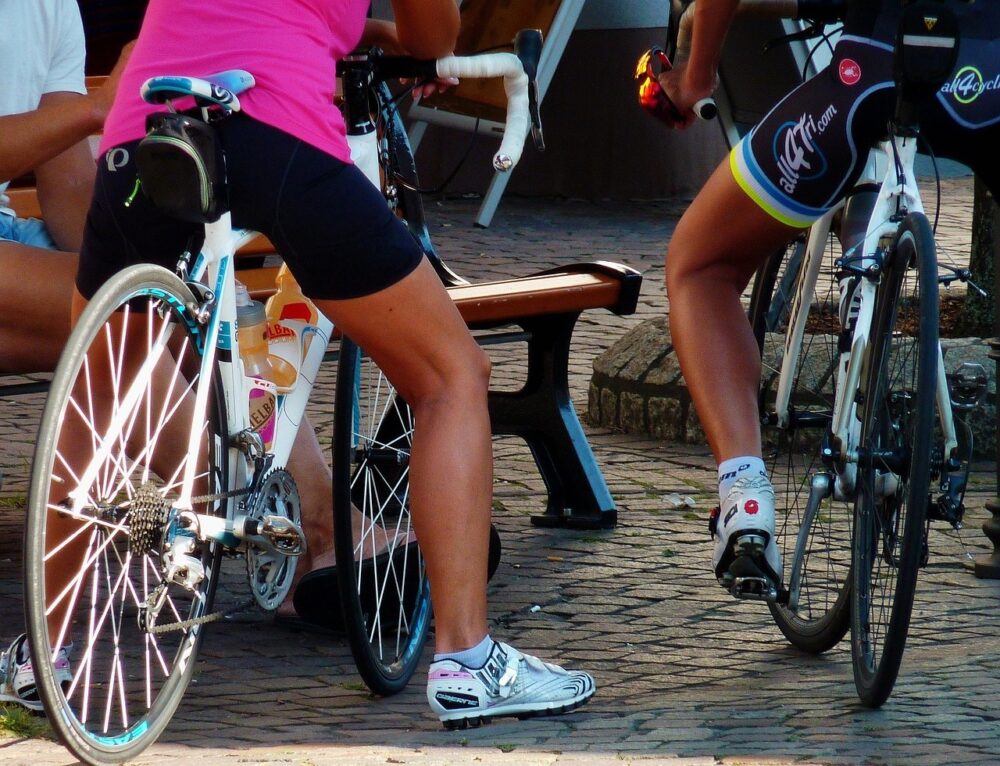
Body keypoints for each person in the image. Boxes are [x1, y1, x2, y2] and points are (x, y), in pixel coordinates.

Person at [68, 0, 595, 726]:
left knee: (96, 373)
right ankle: (469, 661)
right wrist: (408, 42)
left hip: (145, 126)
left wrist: (351, 32)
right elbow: (433, 34)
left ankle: (47, 655)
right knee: (451, 376)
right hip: (272, 124)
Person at [658, 0, 1000, 594]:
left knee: (700, 267)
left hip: (874, 69)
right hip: (991, 75)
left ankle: (744, 499)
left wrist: (695, 77)